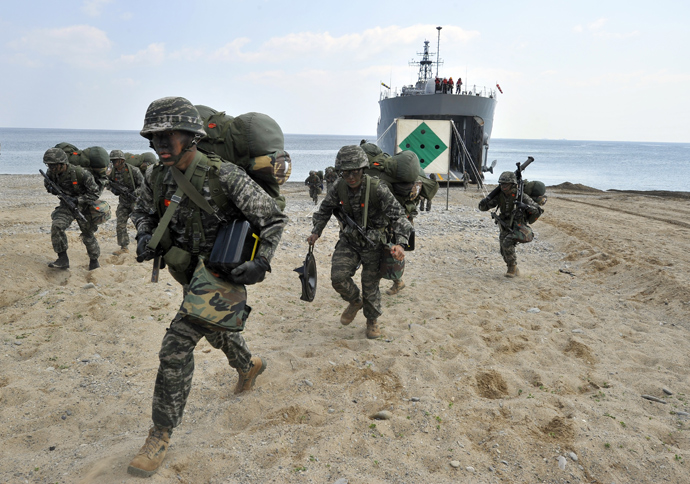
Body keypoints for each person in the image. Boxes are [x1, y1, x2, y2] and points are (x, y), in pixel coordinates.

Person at [127, 96, 288, 478]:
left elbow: (273, 218)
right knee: (215, 329)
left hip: (221, 274)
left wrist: (261, 262)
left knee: (175, 347)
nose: (161, 145)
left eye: (169, 137)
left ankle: (159, 435)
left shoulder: (224, 175)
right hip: (189, 273)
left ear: (193, 137)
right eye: (154, 138)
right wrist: (145, 233)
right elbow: (141, 210)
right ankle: (248, 365)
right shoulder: (156, 177)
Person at [307, 145, 412, 339]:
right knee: (338, 277)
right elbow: (325, 209)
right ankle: (355, 301)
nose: (351, 177)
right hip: (349, 241)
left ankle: (372, 321)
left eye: (355, 172)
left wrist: (400, 243)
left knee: (370, 285)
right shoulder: (339, 187)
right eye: (345, 173)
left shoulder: (377, 188)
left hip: (374, 244)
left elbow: (399, 216)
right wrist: (316, 231)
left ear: (363, 169)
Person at [42, 147, 102, 271]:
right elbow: (48, 184)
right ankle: (63, 259)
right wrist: (52, 189)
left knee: (88, 234)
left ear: (62, 163)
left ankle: (94, 261)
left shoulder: (81, 173)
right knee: (57, 226)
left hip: (84, 207)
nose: (51, 168)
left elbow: (95, 193)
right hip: (66, 206)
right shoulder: (51, 173)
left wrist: (78, 200)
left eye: (53, 165)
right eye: (48, 165)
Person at [478, 171, 541, 277]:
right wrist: (484, 203)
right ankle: (513, 268)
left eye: (506, 184)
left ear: (512, 184)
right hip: (505, 226)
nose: (503, 187)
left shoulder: (521, 196)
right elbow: (484, 207)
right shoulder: (500, 196)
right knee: (503, 249)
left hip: (520, 227)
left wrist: (525, 206)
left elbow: (538, 210)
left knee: (507, 242)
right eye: (501, 184)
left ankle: (512, 268)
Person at [107, 149, 144, 255]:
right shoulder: (112, 172)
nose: (113, 163)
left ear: (122, 160)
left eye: (115, 161)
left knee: (140, 225)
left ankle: (144, 246)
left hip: (135, 202)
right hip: (123, 202)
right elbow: (108, 183)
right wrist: (113, 189)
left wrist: (134, 192)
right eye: (112, 161)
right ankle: (124, 247)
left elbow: (144, 185)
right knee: (120, 225)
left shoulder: (134, 171)